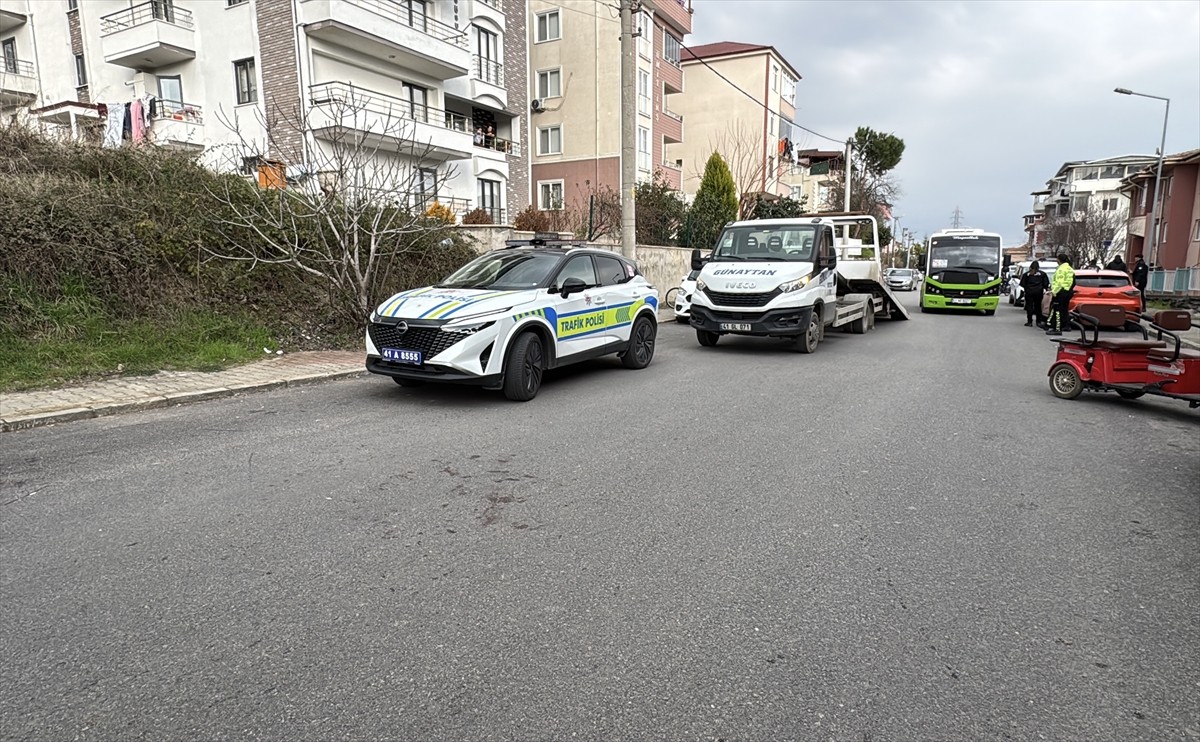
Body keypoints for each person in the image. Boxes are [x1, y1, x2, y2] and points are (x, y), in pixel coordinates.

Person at [1045, 253, 1076, 336]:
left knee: (1057, 311)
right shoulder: (1070, 268)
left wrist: (1053, 292)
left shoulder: (1061, 269)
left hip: (1061, 293)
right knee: (1064, 310)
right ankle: (1065, 325)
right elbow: (1072, 282)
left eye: (1057, 259)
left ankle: (1057, 329)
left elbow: (1059, 283)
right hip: (1067, 292)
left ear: (1059, 260)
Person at [1019, 260, 1050, 327]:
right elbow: (1046, 284)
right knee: (1038, 307)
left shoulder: (1026, 274)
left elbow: (1022, 283)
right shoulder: (1042, 274)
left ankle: (1029, 322)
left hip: (1029, 292)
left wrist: (1027, 288)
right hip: (1039, 293)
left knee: (1029, 307)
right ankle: (1038, 321)